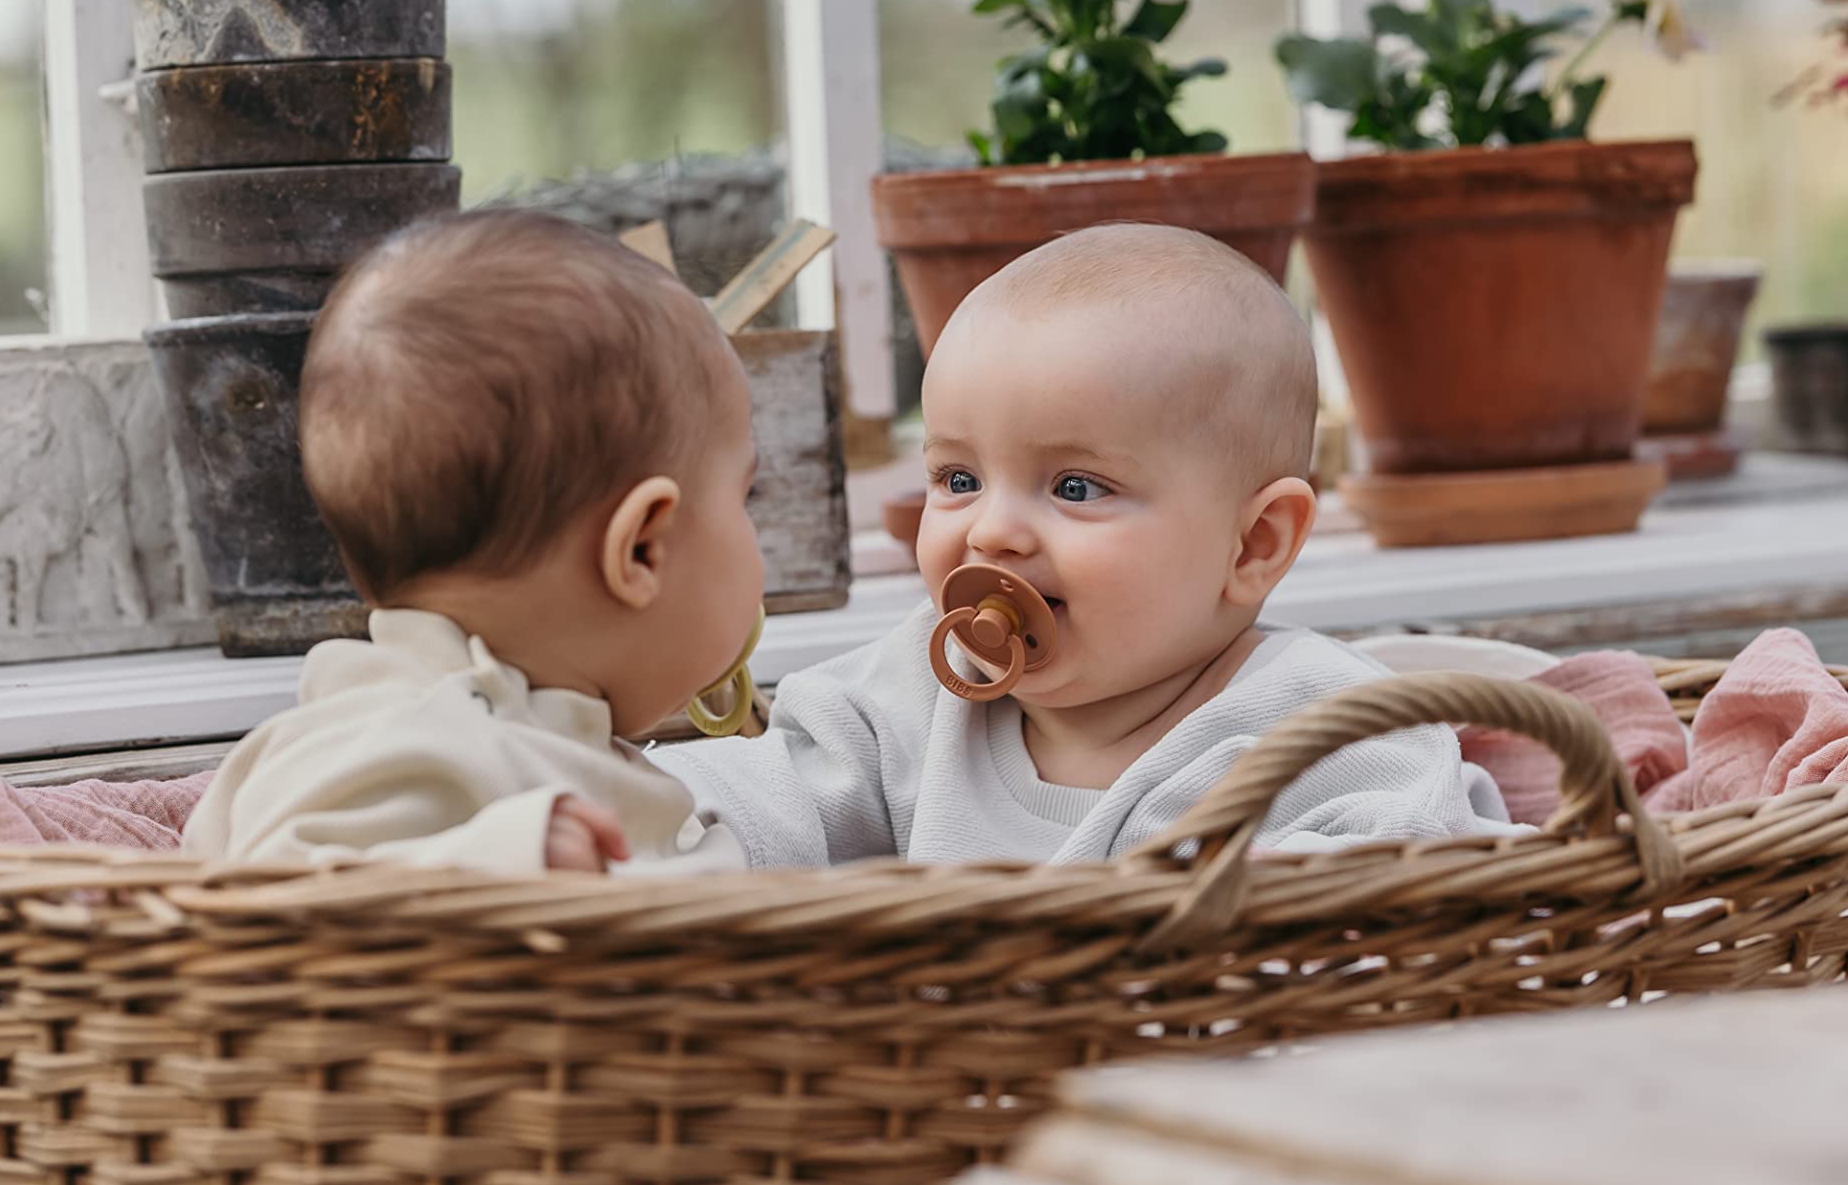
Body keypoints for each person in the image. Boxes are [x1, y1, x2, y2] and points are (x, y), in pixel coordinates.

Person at [655, 222, 1508, 866]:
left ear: (1253, 544)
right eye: (958, 478)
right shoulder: (916, 692)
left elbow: (1389, 900)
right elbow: (763, 799)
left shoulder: (1324, 726)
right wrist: (620, 813)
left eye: (1075, 487)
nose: (989, 529)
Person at [180, 210, 762, 874]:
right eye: (745, 497)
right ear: (640, 550)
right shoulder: (410, 726)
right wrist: (500, 857)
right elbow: (272, 889)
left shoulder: (546, 731)